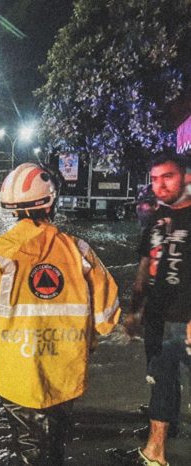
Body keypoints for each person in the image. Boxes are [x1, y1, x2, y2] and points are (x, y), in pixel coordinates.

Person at [0, 162, 121, 465]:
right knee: (55, 443)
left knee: (30, 446)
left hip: (18, 377)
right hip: (66, 373)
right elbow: (107, 317)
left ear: (13, 209)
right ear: (51, 202)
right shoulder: (79, 252)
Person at [123, 154, 191, 466]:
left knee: (162, 379)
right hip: (156, 316)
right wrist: (135, 309)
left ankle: (155, 453)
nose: (159, 185)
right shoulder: (156, 217)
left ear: (186, 178)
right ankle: (168, 427)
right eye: (154, 178)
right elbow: (144, 263)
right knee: (160, 377)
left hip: (182, 318)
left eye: (168, 177)